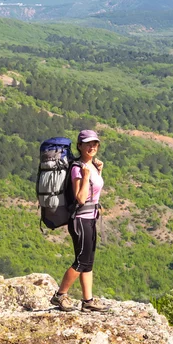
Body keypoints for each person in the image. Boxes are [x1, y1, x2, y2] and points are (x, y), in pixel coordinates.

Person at [50, 129, 110, 312]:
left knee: (88, 261)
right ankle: (59, 296)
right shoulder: (77, 168)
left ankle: (88, 300)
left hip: (91, 218)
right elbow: (81, 198)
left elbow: (95, 191)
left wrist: (98, 171)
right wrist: (85, 178)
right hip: (81, 220)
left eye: (95, 144)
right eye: (88, 144)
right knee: (81, 261)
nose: (92, 147)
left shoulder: (92, 165)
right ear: (79, 146)